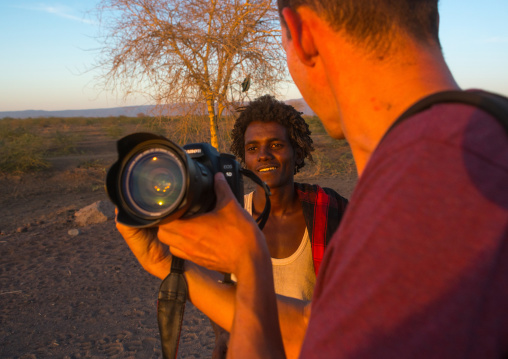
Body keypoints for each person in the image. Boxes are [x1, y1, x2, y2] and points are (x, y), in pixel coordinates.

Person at [119, 0, 508, 357]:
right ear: (431, 19)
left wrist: (250, 262)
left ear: (300, 34)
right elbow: (312, 326)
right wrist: (171, 265)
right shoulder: (474, 148)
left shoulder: (423, 197)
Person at [209, 94, 348, 358]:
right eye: (252, 149)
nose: (263, 156)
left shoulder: (331, 212)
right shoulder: (232, 217)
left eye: (275, 144)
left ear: (297, 152)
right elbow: (220, 291)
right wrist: (222, 336)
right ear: (244, 158)